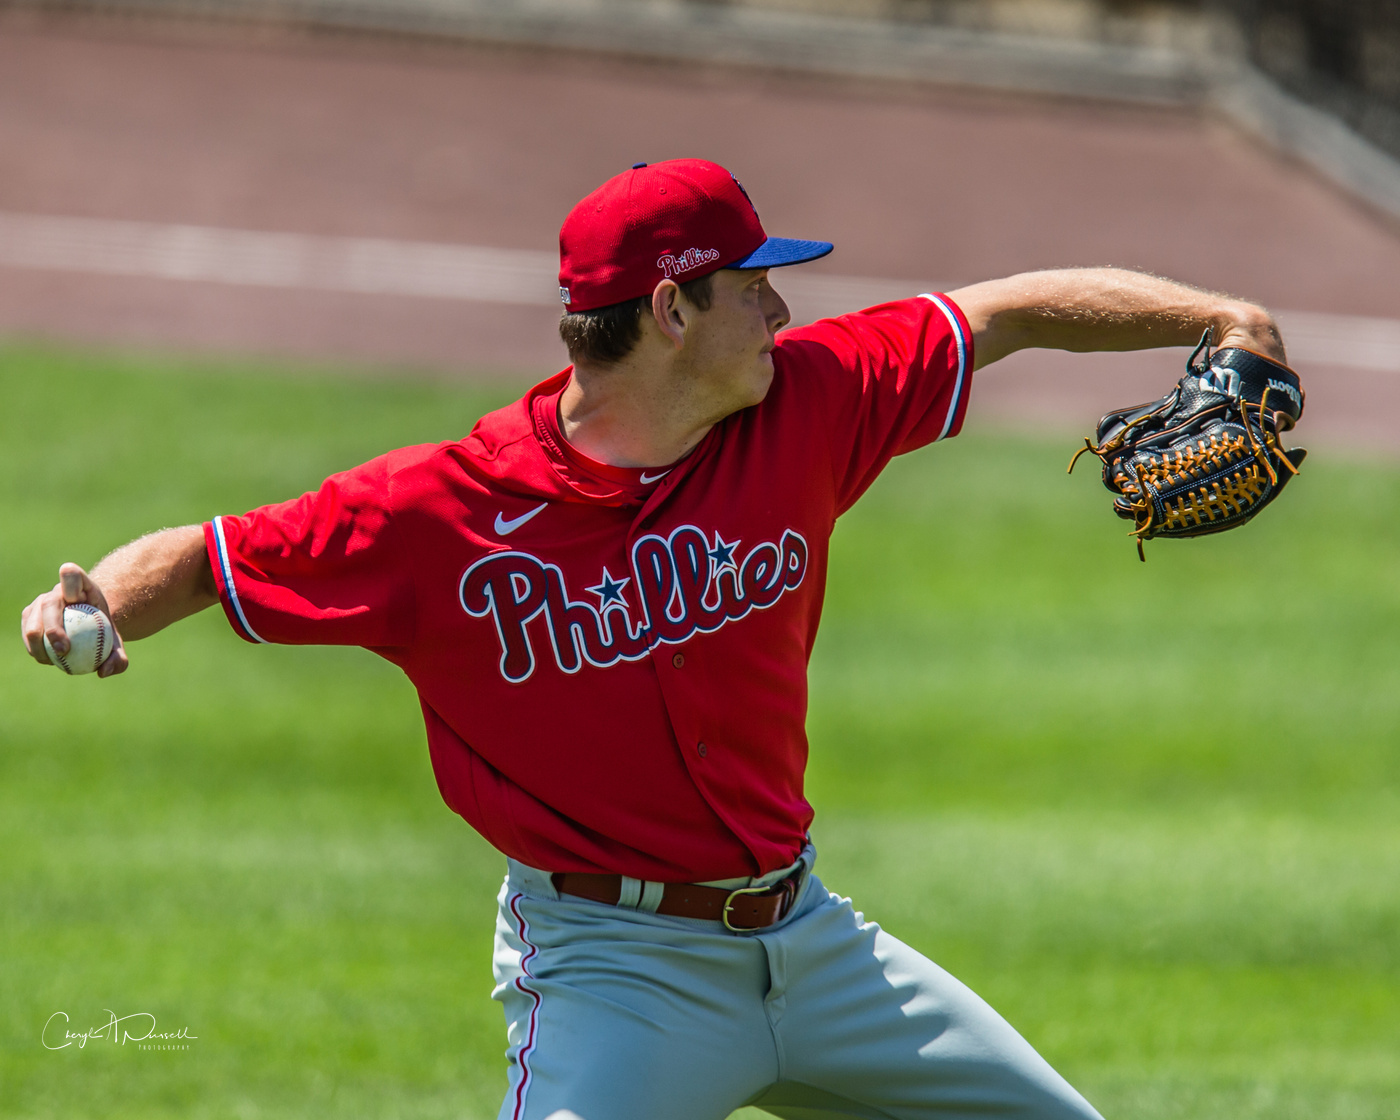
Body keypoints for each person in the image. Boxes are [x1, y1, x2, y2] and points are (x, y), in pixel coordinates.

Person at [20, 159, 1287, 1119]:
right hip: (614, 974)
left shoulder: (809, 400)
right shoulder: (440, 512)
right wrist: (94, 607)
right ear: (671, 310)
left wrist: (1219, 315)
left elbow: (997, 313)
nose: (782, 306)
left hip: (811, 942)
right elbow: (208, 557)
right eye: (753, 283)